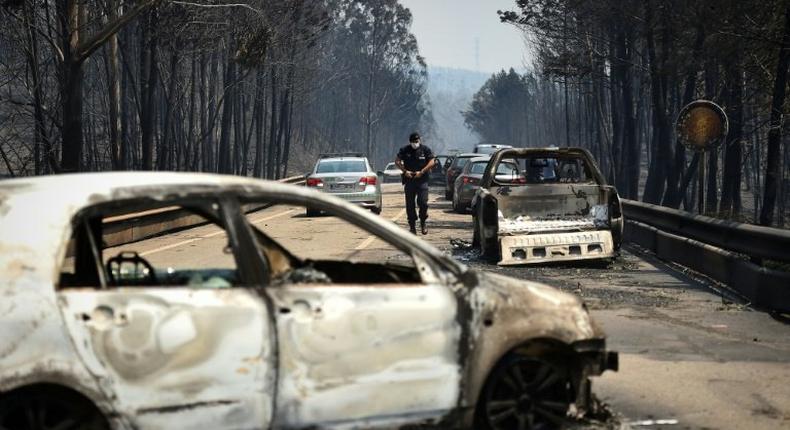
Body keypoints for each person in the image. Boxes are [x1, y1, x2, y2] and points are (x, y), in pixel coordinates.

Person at [396, 132, 435, 235]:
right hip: (409, 180)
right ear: (410, 142)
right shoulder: (405, 150)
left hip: (422, 180)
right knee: (410, 204)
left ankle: (423, 223)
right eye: (413, 142)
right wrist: (405, 171)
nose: (415, 144)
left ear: (420, 140)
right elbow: (397, 161)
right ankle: (412, 227)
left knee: (423, 202)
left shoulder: (425, 149)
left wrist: (422, 171)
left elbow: (432, 162)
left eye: (417, 141)